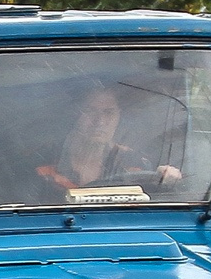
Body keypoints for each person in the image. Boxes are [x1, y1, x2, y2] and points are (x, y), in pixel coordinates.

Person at [34, 82, 181, 199]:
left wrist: (166, 178)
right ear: (74, 115)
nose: (100, 122)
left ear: (118, 117)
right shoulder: (43, 164)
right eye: (90, 111)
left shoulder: (134, 163)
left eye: (109, 113)